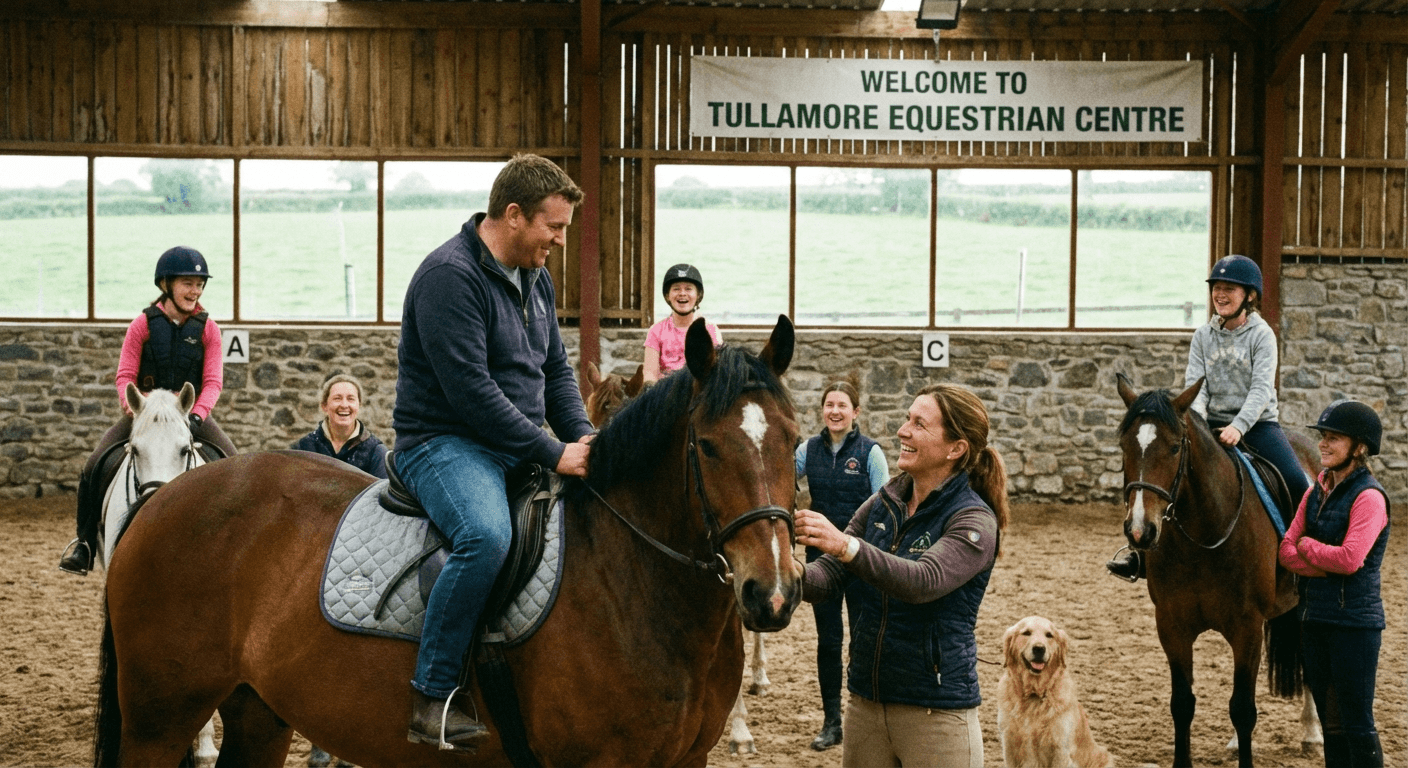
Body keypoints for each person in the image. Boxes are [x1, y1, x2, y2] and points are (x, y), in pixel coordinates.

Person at [392, 154, 594, 749]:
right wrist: (552, 451)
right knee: (487, 536)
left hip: (513, 443)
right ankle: (434, 694)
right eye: (553, 227)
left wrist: (583, 437)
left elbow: (555, 370)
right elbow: (471, 393)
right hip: (443, 442)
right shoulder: (448, 277)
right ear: (513, 215)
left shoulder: (535, 274)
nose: (559, 240)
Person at [794, 383, 1008, 768]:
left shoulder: (973, 520)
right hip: (866, 706)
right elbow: (826, 577)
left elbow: (922, 580)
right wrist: (780, 570)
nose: (902, 431)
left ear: (955, 448)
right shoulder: (884, 502)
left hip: (937, 714)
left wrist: (844, 545)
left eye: (919, 424)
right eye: (907, 418)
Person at [1107, 254, 1310, 580]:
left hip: (1257, 425)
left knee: (1297, 481)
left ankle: (1299, 560)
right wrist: (1199, 424)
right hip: (1208, 422)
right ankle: (1141, 555)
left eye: (1229, 288)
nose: (1220, 294)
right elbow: (1195, 386)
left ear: (1250, 295)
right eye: (1217, 287)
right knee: (1162, 471)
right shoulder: (1203, 335)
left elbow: (1260, 390)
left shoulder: (1262, 336)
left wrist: (1238, 427)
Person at [58, 246, 238, 575]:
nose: (195, 290)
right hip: (144, 414)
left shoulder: (209, 329)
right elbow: (125, 376)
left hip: (188, 415)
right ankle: (83, 543)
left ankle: (237, 544)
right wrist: (135, 409)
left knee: (234, 462)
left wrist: (196, 416)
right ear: (165, 284)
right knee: (94, 463)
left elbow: (212, 382)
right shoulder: (142, 325)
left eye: (199, 284)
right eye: (187, 283)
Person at [1279, 400, 1389, 768]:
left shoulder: (1369, 498)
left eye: (1334, 439)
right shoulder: (1315, 492)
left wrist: (1309, 547)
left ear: (1359, 447)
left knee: (1357, 724)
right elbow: (1284, 551)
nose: (1323, 444)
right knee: (1331, 725)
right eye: (1323, 437)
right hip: (1314, 621)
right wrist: (1322, 565)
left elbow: (1350, 559)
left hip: (1354, 627)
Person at [794, 379, 889, 751]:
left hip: (861, 559)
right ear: (822, 410)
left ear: (856, 412)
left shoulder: (871, 453)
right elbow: (782, 481)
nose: (835, 411)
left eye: (842, 405)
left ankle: (861, 718)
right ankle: (832, 721)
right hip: (821, 561)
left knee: (864, 639)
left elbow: (885, 508)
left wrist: (875, 555)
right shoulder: (807, 450)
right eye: (829, 404)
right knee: (829, 640)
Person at [291, 373, 387, 480]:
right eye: (337, 398)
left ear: (359, 405)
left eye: (351, 399)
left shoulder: (376, 452)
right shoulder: (302, 449)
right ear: (324, 406)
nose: (344, 405)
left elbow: (381, 495)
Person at [642, 263, 721, 383]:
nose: (682, 293)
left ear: (698, 295)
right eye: (676, 289)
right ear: (668, 296)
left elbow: (716, 371)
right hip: (665, 392)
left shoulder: (710, 329)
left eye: (688, 289)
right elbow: (650, 374)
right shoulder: (656, 330)